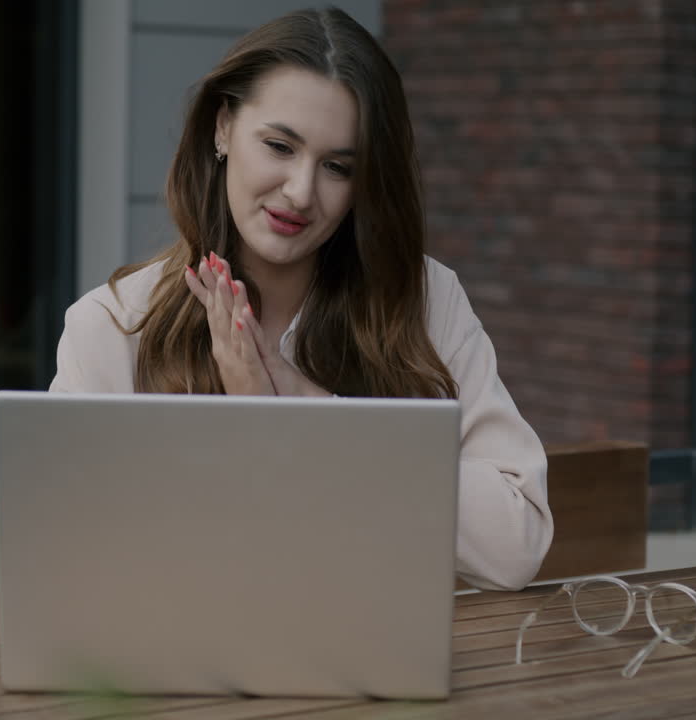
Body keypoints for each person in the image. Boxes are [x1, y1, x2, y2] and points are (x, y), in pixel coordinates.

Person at [50, 6, 552, 591]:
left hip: (380, 667)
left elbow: (516, 542)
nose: (301, 192)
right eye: (280, 146)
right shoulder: (114, 326)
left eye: (337, 166)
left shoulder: (424, 299)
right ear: (222, 128)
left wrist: (310, 410)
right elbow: (78, 565)